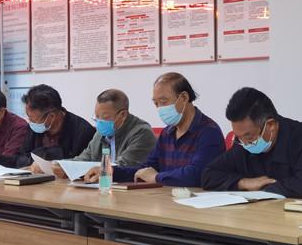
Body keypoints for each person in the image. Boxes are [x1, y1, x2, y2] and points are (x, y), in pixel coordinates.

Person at [85, 72, 225, 186]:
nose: (160, 108)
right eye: (156, 103)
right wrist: (110, 171)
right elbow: (147, 168)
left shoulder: (209, 132)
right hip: (165, 199)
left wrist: (157, 177)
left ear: (183, 97)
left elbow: (198, 174)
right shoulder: (167, 133)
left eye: (163, 101)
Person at [201, 87, 302, 198]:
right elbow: (209, 175)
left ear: (271, 125)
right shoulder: (243, 144)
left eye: (249, 136)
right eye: (239, 137)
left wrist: (263, 189)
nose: (244, 144)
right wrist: (243, 183)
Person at [54, 89, 156, 178]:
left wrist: (102, 170)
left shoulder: (142, 133)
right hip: (103, 187)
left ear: (123, 115)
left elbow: (125, 166)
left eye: (105, 117)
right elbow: (85, 158)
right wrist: (63, 166)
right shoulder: (101, 132)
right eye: (97, 116)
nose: (99, 122)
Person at [0, 84, 95, 170]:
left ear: (51, 117)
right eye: (28, 117)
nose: (30, 121)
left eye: (32, 118)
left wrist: (47, 162)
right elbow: (20, 157)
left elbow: (81, 166)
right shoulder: (34, 128)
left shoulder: (83, 132)